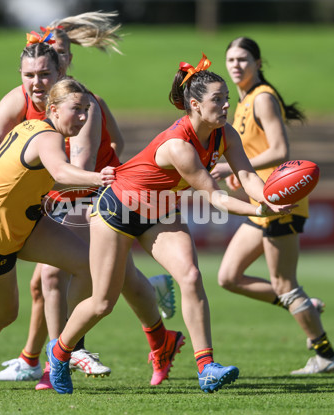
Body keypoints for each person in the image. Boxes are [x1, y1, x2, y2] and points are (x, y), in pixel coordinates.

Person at [45, 53, 295, 395]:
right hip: (116, 208)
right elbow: (215, 198)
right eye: (217, 100)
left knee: (191, 276)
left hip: (159, 209)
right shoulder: (180, 146)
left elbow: (248, 176)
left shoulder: (225, 133)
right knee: (103, 302)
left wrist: (268, 199)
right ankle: (59, 353)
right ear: (194, 104)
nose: (226, 107)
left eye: (227, 100)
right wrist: (259, 212)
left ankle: (207, 367)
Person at [0, 14, 175, 388]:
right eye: (34, 70)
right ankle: (40, 358)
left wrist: (24, 183)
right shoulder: (24, 98)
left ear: (63, 64)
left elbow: (80, 167)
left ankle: (58, 358)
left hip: (91, 194)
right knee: (72, 281)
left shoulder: (83, 102)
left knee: (54, 278)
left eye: (57, 59)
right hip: (63, 193)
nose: (41, 77)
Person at [0, 78, 115, 390]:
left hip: (25, 225)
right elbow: (62, 173)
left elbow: (49, 177)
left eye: (87, 110)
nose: (83, 117)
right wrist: (97, 177)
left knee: (86, 266)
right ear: (53, 109)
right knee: (4, 314)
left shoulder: (32, 129)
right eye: (76, 109)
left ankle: (71, 346)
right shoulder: (47, 137)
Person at [210, 37, 334, 375]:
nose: (236, 65)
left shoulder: (263, 98)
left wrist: (233, 167)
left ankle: (325, 355)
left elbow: (281, 151)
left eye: (243, 59)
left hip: (282, 202)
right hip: (262, 204)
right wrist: (242, 173)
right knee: (228, 276)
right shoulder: (242, 101)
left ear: (258, 63)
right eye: (231, 59)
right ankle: (303, 307)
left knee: (284, 283)